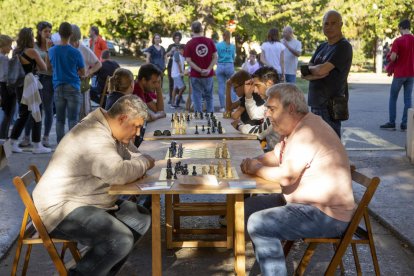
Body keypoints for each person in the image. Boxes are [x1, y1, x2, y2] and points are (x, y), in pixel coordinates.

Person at [33, 95, 154, 275]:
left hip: (88, 201)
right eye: (136, 126)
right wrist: (144, 163)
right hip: (60, 208)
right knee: (119, 239)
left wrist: (140, 162)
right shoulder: (95, 135)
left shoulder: (113, 131)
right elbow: (118, 173)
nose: (137, 133)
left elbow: (134, 157)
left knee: (140, 218)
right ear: (122, 119)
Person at [242, 83, 355, 276]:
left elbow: (286, 176)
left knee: (259, 223)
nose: (267, 114)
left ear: (291, 109)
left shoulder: (307, 131)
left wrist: (257, 168)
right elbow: (275, 156)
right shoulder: (296, 128)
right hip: (305, 204)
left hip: (325, 214)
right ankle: (269, 266)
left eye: (272, 109)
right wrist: (252, 163)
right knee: (248, 208)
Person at [302, 10, 352, 138]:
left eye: (333, 23)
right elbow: (305, 72)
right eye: (326, 24)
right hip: (315, 102)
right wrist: (317, 72)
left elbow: (319, 70)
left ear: (341, 24)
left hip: (330, 105)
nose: (329, 27)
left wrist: (316, 71)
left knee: (330, 144)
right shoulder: (322, 46)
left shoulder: (343, 47)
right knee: (317, 143)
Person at [9, 27, 51, 154]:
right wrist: (48, 50)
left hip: (20, 85)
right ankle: (37, 145)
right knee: (36, 112)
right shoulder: (32, 51)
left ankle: (13, 142)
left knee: (24, 114)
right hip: (29, 83)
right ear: (30, 38)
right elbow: (44, 67)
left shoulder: (16, 51)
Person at [19, 21, 55, 148]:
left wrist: (50, 49)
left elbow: (49, 66)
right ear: (39, 32)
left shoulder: (52, 45)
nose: (48, 33)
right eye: (46, 31)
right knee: (32, 108)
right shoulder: (33, 46)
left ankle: (45, 137)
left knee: (48, 109)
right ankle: (27, 137)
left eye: (50, 31)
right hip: (35, 78)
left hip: (49, 78)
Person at [48, 22, 85, 143]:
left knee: (59, 119)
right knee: (73, 119)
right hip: (73, 86)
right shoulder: (76, 52)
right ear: (71, 34)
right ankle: (72, 146)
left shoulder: (52, 50)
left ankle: (60, 145)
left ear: (59, 33)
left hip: (58, 86)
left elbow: (48, 67)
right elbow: (82, 71)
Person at [233, 66, 280, 151]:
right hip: (273, 150)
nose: (255, 90)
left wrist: (239, 126)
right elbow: (255, 114)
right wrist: (248, 95)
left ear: (269, 83)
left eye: (257, 85)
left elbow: (259, 132)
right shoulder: (271, 101)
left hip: (279, 155)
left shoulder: (278, 105)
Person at [380, 19, 414, 131]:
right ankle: (405, 124)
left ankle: (392, 122)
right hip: (411, 73)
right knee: (408, 99)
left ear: (401, 28)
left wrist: (390, 56)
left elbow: (393, 57)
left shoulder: (398, 41)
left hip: (400, 74)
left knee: (393, 97)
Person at [184, 21, 217, 113]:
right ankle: (211, 116)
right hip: (208, 74)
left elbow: (188, 60)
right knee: (209, 96)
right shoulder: (209, 41)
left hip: (195, 74)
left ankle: (199, 116)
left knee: (197, 96)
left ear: (192, 30)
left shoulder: (189, 43)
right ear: (201, 29)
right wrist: (208, 69)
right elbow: (215, 57)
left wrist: (199, 70)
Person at [70, 24, 102, 119]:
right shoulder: (67, 47)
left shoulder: (84, 49)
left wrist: (88, 72)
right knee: (73, 111)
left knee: (84, 109)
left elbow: (98, 64)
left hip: (83, 81)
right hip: (71, 82)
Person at [216, 30, 236, 112]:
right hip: (229, 65)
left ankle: (222, 107)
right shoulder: (232, 46)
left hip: (220, 65)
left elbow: (215, 56)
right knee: (231, 87)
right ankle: (232, 106)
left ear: (223, 36)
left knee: (221, 86)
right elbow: (233, 57)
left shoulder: (218, 45)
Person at [0, 34, 15, 139]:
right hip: (5, 87)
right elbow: (6, 75)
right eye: (9, 46)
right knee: (8, 113)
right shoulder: (4, 59)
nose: (11, 48)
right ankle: (3, 137)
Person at [166, 31, 183, 104]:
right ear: (174, 39)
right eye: (176, 38)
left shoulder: (182, 46)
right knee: (171, 82)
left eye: (178, 38)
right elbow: (166, 55)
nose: (177, 39)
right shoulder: (170, 46)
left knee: (180, 82)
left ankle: (180, 97)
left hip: (180, 65)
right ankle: (171, 98)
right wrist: (171, 51)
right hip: (171, 65)